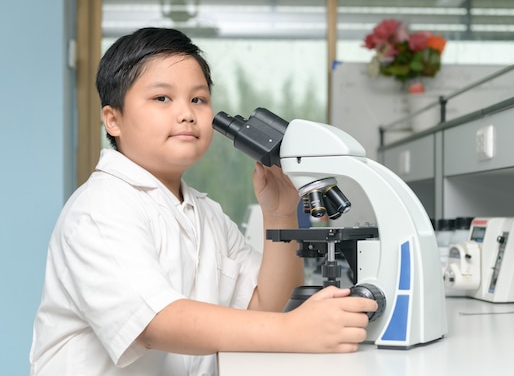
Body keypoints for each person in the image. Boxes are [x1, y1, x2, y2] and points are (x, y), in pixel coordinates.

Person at [29, 27, 377, 376]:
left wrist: (280, 213)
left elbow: (264, 306)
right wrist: (295, 331)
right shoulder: (100, 208)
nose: (186, 113)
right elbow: (156, 322)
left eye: (198, 99)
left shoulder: (205, 213)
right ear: (113, 119)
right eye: (162, 98)